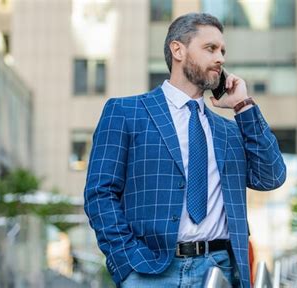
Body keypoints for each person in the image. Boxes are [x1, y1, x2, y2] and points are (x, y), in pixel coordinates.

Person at [84, 12, 286, 288]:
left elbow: (271, 176)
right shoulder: (126, 112)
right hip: (149, 271)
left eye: (223, 51)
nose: (221, 59)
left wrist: (243, 107)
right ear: (177, 49)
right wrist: (126, 263)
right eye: (210, 48)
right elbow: (100, 194)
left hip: (218, 271)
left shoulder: (228, 131)